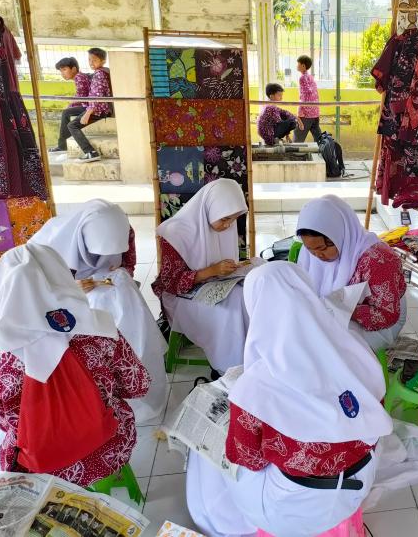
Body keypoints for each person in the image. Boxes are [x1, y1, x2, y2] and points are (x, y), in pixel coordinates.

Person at [186, 262, 392, 537]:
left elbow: (247, 458)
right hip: (356, 485)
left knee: (209, 455)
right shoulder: (359, 355)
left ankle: (218, 522)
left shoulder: (255, 388)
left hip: (291, 508)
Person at [0, 243, 149, 486]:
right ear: (63, 277)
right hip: (106, 446)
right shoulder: (99, 328)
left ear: (4, 288)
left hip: (35, 464)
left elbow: (0, 418)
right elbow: (137, 386)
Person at [30, 199, 167, 423]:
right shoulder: (48, 244)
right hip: (69, 307)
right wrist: (70, 288)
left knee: (133, 339)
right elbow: (35, 290)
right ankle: (99, 404)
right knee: (93, 355)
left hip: (112, 294)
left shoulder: (124, 229)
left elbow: (128, 262)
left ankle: (135, 392)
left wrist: (121, 272)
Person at [152, 179, 249, 373]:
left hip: (215, 283)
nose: (229, 224)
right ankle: (228, 367)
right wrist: (211, 271)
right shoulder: (175, 233)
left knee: (248, 296)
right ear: (209, 209)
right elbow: (171, 284)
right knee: (230, 312)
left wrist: (235, 268)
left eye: (234, 218)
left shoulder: (224, 225)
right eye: (225, 218)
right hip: (180, 296)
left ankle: (248, 355)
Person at [296, 195, 407, 351]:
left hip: (384, 319)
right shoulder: (310, 251)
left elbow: (387, 315)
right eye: (310, 250)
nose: (317, 256)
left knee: (330, 350)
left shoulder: (378, 261)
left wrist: (345, 308)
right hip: (343, 311)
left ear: (340, 236)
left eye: (322, 249)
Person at [71, 48, 114, 163]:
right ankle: (89, 152)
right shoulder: (103, 72)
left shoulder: (99, 74)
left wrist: (88, 113)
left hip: (99, 110)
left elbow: (97, 95)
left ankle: (90, 152)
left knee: (72, 126)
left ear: (103, 61)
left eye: (94, 60)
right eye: (89, 60)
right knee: (71, 118)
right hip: (100, 108)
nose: (91, 63)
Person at [49, 57, 90, 155]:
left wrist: (70, 105)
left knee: (66, 112)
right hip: (87, 104)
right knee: (67, 111)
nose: (62, 73)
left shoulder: (79, 77)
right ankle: (62, 145)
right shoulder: (79, 77)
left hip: (88, 106)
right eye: (61, 71)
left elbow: (81, 97)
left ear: (74, 69)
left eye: (64, 69)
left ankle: (62, 146)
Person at [295, 55, 322, 143]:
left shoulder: (302, 78)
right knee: (319, 140)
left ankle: (295, 157)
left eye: (298, 64)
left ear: (303, 66)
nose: (297, 65)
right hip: (315, 112)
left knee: (297, 139)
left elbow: (305, 94)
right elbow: (314, 93)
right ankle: (324, 154)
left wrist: (300, 111)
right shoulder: (310, 77)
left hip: (306, 114)